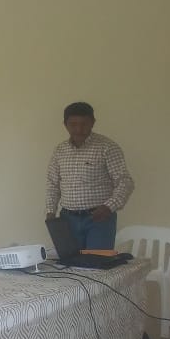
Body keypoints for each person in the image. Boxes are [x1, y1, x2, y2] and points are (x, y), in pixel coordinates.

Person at [46, 101, 135, 250]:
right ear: (65, 125)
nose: (79, 129)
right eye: (73, 124)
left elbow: (125, 182)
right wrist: (50, 212)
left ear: (93, 122)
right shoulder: (60, 151)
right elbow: (52, 184)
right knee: (70, 262)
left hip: (99, 219)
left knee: (97, 262)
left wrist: (109, 207)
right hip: (67, 220)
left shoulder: (107, 147)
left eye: (84, 124)